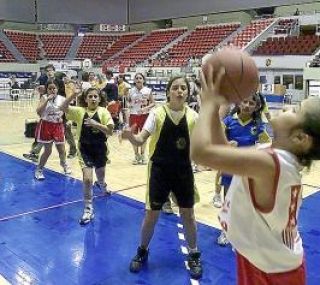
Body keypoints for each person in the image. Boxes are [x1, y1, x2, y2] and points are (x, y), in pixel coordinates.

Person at [191, 67, 320, 285]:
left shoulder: (270, 164)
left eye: (295, 110)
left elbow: (200, 153)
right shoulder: (278, 157)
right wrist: (220, 109)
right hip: (269, 257)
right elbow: (224, 151)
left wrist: (209, 103)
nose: (287, 106)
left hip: (271, 269)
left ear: (300, 138)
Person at [122, 75, 202, 279]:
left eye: (183, 88)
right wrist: (130, 136)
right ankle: (142, 251)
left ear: (188, 92)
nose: (179, 91)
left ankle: (194, 254)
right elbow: (140, 140)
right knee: (152, 214)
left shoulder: (193, 116)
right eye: (175, 87)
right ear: (168, 92)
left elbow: (201, 145)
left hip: (183, 170)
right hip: (159, 169)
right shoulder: (157, 113)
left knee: (188, 214)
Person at [214, 93, 271, 246]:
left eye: (251, 103)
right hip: (230, 167)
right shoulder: (227, 122)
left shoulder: (259, 126)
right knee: (228, 201)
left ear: (257, 107)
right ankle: (225, 231)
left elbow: (268, 146)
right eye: (244, 102)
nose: (247, 105)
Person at [61, 87, 114, 225]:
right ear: (85, 99)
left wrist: (96, 124)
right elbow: (63, 107)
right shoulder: (80, 111)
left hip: (100, 149)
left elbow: (110, 130)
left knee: (100, 174)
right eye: (90, 96)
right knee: (87, 180)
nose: (93, 98)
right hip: (85, 150)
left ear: (99, 99)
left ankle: (102, 184)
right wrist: (73, 94)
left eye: (95, 96)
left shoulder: (103, 112)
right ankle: (88, 208)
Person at [34, 80, 72, 180]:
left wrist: (64, 119)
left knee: (62, 149)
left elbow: (65, 110)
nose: (52, 90)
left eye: (54, 88)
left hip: (58, 126)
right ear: (47, 90)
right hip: (46, 125)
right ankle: (39, 170)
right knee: (48, 151)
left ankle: (63, 164)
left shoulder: (62, 98)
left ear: (57, 89)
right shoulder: (44, 97)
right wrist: (47, 100)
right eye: (50, 88)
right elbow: (38, 112)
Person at [128, 73, 155, 164]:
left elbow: (153, 103)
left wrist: (145, 108)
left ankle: (143, 155)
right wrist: (128, 107)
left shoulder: (148, 90)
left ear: (143, 80)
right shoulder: (130, 91)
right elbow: (128, 102)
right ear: (134, 80)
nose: (138, 79)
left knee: (144, 136)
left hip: (144, 115)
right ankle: (136, 156)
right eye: (137, 78)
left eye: (140, 78)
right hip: (133, 115)